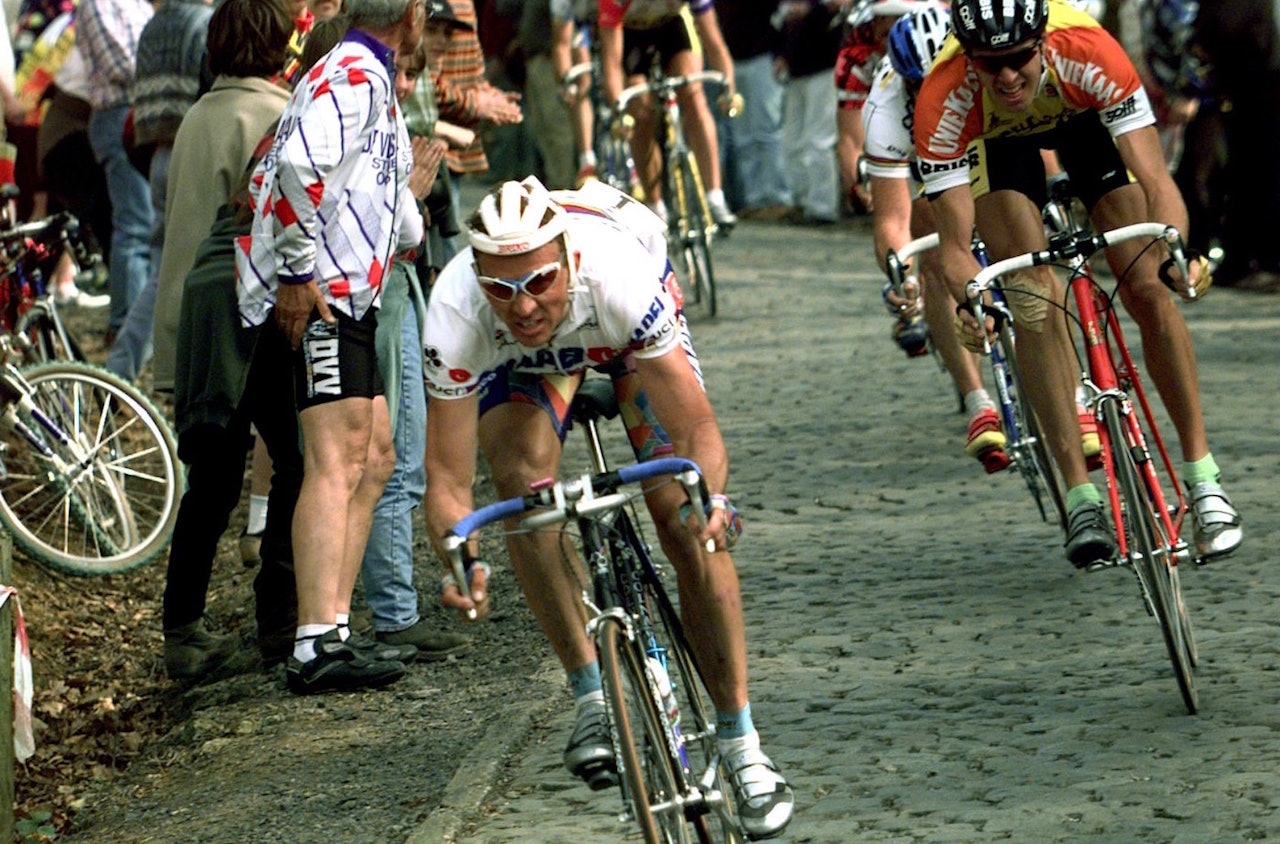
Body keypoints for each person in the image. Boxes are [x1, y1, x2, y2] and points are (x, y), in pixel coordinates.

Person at [422, 176, 794, 840]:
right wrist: (458, 558)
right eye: (502, 289)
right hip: (531, 368)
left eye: (538, 281)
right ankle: (592, 692)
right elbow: (448, 481)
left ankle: (742, 744)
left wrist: (714, 500)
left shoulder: (617, 275)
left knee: (684, 516)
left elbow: (695, 433)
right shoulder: (456, 313)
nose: (524, 305)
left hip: (624, 337)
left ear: (567, 259)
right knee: (520, 488)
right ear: (477, 277)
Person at [913, 0, 1242, 567]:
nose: (1008, 75)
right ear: (969, 60)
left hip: (1083, 119)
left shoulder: (1089, 53)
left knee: (1145, 285)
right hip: (996, 147)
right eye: (991, 65)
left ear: (1041, 42)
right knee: (1032, 299)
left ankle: (1203, 479)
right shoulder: (945, 95)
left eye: (1018, 58)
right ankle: (1080, 495)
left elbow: (1158, 182)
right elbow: (956, 249)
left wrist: (1175, 250)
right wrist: (976, 299)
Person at [237, 0, 427, 694]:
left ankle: (337, 626)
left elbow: (373, 185)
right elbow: (294, 163)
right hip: (320, 293)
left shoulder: (374, 75)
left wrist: (408, 227)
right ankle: (314, 641)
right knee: (338, 457)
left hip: (352, 294)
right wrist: (294, 271)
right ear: (412, 14)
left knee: (375, 453)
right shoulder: (351, 71)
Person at [158, 0, 303, 680]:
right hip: (252, 315)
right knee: (296, 461)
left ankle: (181, 627)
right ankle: (281, 612)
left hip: (193, 322)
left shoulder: (196, 118)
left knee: (210, 482)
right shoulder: (271, 116)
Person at [357, 23, 471, 659]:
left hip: (394, 280)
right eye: (403, 72)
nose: (406, 85)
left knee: (396, 453)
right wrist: (415, 199)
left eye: (411, 75)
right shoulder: (371, 109)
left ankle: (393, 606)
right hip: (384, 284)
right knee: (395, 455)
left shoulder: (374, 104)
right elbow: (393, 217)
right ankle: (395, 613)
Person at [862, 3, 1009, 471]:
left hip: (985, 137)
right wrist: (900, 273)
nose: (931, 96)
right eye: (917, 87)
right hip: (927, 164)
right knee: (930, 231)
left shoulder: (985, 69)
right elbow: (891, 217)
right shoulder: (884, 106)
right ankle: (977, 399)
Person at [106, 0, 216, 382]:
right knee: (182, 271)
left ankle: (122, 369)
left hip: (156, 155)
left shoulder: (153, 25)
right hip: (193, 151)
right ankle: (143, 372)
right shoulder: (205, 23)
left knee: (160, 267)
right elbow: (212, 88)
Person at [597, 0, 740, 228]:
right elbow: (612, 66)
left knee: (693, 94)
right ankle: (656, 205)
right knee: (639, 112)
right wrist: (621, 112)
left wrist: (728, 90)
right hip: (631, 33)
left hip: (673, 28)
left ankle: (715, 196)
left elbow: (715, 44)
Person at [75, 0, 155, 346]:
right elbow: (121, 65)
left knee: (146, 226)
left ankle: (139, 328)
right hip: (119, 114)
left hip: (142, 112)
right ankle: (126, 329)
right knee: (136, 227)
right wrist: (171, 67)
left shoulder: (135, 3)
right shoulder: (98, 4)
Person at [834, 0, 917, 217]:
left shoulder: (943, 34)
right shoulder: (856, 52)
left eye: (899, 19)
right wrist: (857, 186)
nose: (887, 28)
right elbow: (851, 137)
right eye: (880, 19)